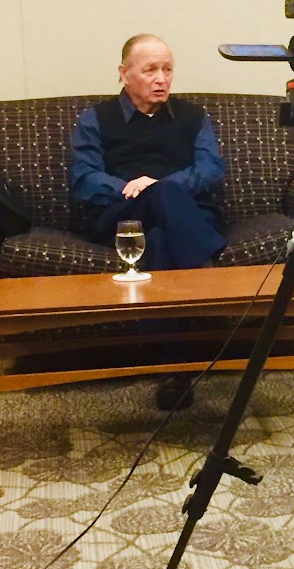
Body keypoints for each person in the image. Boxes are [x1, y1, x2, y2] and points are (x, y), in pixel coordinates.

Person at [70, 33, 227, 410]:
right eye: (150, 70)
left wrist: (159, 186)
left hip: (182, 215)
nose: (162, 79)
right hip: (122, 215)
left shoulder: (193, 117)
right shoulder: (96, 119)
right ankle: (208, 268)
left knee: (157, 240)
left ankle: (175, 371)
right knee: (161, 197)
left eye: (168, 69)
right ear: (124, 74)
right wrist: (133, 189)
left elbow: (210, 168)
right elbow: (84, 178)